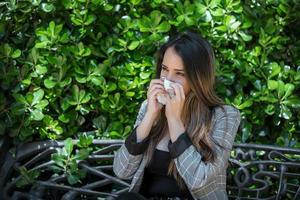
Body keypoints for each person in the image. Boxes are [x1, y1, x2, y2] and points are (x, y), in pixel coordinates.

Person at [112, 30, 241, 200]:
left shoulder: (223, 116)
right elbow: (122, 171)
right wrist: (150, 115)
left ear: (198, 78)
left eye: (179, 73)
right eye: (165, 70)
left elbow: (200, 181)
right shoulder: (150, 108)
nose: (168, 80)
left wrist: (174, 120)